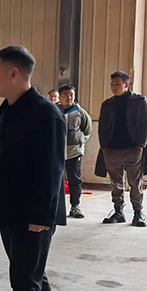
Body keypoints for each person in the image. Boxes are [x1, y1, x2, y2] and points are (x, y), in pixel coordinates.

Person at [0, 46, 67, 291]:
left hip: (33, 215)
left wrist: (42, 216)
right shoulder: (8, 110)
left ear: (14, 73)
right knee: (31, 273)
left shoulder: (47, 114)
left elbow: (52, 171)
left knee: (24, 280)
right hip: (9, 210)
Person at [96, 71, 147, 227]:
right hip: (112, 150)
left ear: (126, 85)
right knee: (116, 184)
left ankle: (138, 213)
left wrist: (140, 145)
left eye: (117, 84)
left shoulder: (139, 101)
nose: (113, 87)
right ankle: (118, 212)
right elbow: (102, 127)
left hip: (133, 149)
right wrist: (104, 147)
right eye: (112, 84)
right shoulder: (107, 104)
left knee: (135, 183)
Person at [58, 84, 92, 218]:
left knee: (74, 180)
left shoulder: (80, 112)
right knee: (56, 180)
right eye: (65, 95)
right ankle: (56, 207)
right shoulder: (53, 110)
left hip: (74, 152)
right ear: (60, 96)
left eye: (71, 95)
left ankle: (75, 206)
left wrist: (80, 141)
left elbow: (87, 129)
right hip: (57, 152)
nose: (69, 97)